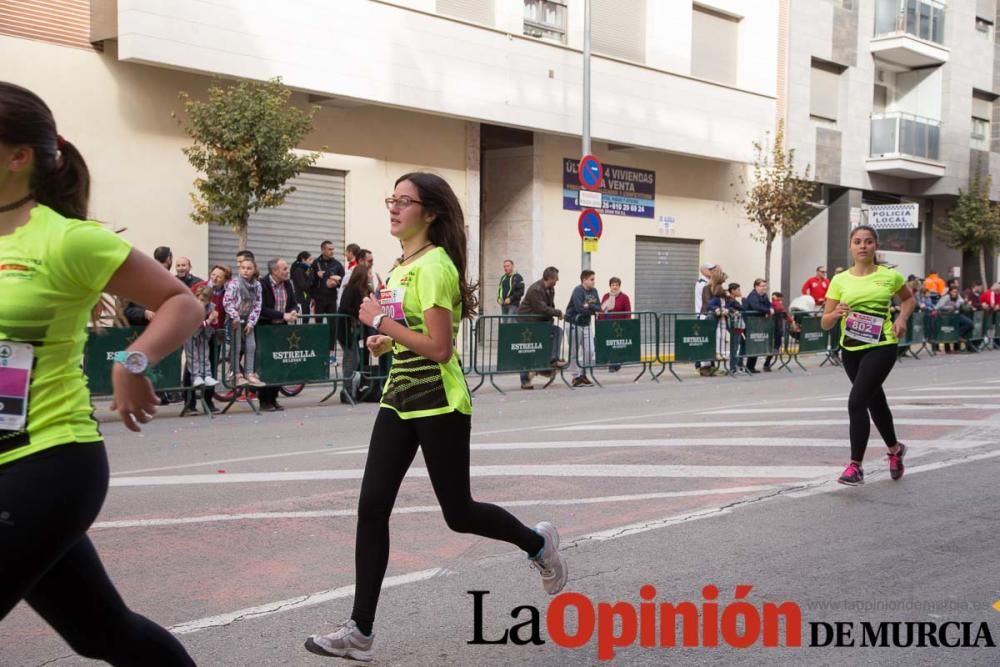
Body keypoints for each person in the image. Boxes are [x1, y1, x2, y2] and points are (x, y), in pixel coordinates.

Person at [304, 173, 566, 660]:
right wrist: (386, 338)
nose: (394, 208)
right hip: (399, 398)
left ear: (430, 213)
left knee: (459, 513)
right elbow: (413, 332)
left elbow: (441, 349)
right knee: (371, 506)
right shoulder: (401, 266)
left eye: (405, 201)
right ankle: (360, 631)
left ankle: (537, 543)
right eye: (392, 199)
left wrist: (380, 323)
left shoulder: (435, 267)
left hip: (441, 403)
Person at [0, 81, 198, 664]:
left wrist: (130, 361)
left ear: (19, 157)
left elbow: (181, 302)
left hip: (47, 460)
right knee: (104, 633)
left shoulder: (68, 240)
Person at [821, 224, 914, 486]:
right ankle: (895, 450)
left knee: (856, 401)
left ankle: (855, 466)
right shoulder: (839, 280)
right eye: (858, 241)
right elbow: (825, 323)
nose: (863, 246)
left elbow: (908, 299)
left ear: (875, 246)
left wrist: (902, 319)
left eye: (869, 241)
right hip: (850, 349)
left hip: (882, 345)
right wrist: (836, 313)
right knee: (875, 401)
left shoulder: (889, 277)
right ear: (850, 246)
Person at [257, 257, 299, 411]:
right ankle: (264, 400)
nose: (287, 271)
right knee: (267, 366)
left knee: (280, 364)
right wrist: (282, 315)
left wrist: (294, 310)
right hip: (266, 329)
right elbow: (261, 308)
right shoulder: (262, 285)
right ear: (274, 271)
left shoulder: (288, 284)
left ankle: (274, 398)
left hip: (282, 329)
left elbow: (293, 302)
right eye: (284, 269)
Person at [516, 267, 565, 390]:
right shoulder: (536, 289)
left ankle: (551, 361)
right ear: (549, 278)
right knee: (527, 349)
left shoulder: (550, 289)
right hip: (527, 322)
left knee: (557, 331)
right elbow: (541, 309)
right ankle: (525, 380)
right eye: (556, 278)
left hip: (539, 322)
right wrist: (558, 313)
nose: (558, 280)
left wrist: (552, 317)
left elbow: (549, 307)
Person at [223, 256, 265, 388]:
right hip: (234, 320)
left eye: (249, 268)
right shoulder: (234, 283)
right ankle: (236, 374)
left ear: (254, 270)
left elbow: (258, 304)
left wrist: (251, 322)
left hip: (248, 319)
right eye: (243, 268)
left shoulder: (257, 285)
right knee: (236, 347)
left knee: (251, 346)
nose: (245, 271)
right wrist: (235, 317)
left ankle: (249, 373)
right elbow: (227, 301)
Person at [338, 259, 375, 402]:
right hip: (346, 329)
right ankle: (346, 392)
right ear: (363, 275)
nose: (371, 276)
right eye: (369, 274)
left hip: (356, 331)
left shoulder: (365, 290)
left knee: (355, 359)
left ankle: (350, 390)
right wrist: (359, 313)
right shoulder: (351, 288)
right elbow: (345, 307)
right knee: (351, 360)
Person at [565, 270, 602, 387]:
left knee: (590, 350)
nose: (593, 282)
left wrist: (589, 306)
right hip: (573, 323)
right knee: (574, 352)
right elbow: (579, 308)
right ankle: (575, 377)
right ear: (584, 280)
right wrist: (592, 310)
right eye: (591, 279)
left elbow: (599, 307)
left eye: (594, 279)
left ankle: (583, 374)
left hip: (586, 324)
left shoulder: (594, 291)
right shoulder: (578, 291)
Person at [311, 240, 345, 349]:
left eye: (333, 249)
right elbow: (309, 282)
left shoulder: (337, 264)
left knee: (333, 326)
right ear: (323, 250)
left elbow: (344, 282)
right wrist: (316, 276)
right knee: (319, 325)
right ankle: (318, 348)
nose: (332, 251)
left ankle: (331, 350)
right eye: (329, 249)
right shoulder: (315, 263)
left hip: (331, 300)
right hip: (319, 300)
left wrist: (336, 282)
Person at [184, 284, 219, 389]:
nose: (200, 302)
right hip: (189, 334)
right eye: (199, 299)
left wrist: (214, 319)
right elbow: (196, 323)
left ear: (209, 300)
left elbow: (215, 322)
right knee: (193, 356)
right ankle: (196, 376)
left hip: (203, 334)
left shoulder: (211, 307)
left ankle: (207, 375)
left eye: (204, 300)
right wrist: (209, 320)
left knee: (204, 354)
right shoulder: (191, 307)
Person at [743, 279, 773, 374]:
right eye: (762, 286)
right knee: (751, 345)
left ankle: (751, 367)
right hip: (749, 324)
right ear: (756, 286)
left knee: (756, 345)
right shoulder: (753, 296)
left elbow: (769, 305)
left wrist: (770, 308)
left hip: (758, 324)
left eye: (765, 285)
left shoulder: (764, 296)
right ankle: (744, 366)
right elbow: (756, 307)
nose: (765, 287)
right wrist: (767, 311)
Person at [934, 285, 975, 353]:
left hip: (956, 315)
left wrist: (960, 304)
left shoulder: (958, 297)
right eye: (953, 292)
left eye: (956, 292)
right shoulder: (946, 297)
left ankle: (958, 335)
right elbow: (938, 307)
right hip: (946, 317)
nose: (955, 293)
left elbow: (961, 302)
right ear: (950, 292)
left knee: (970, 324)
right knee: (947, 330)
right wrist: (948, 307)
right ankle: (948, 349)